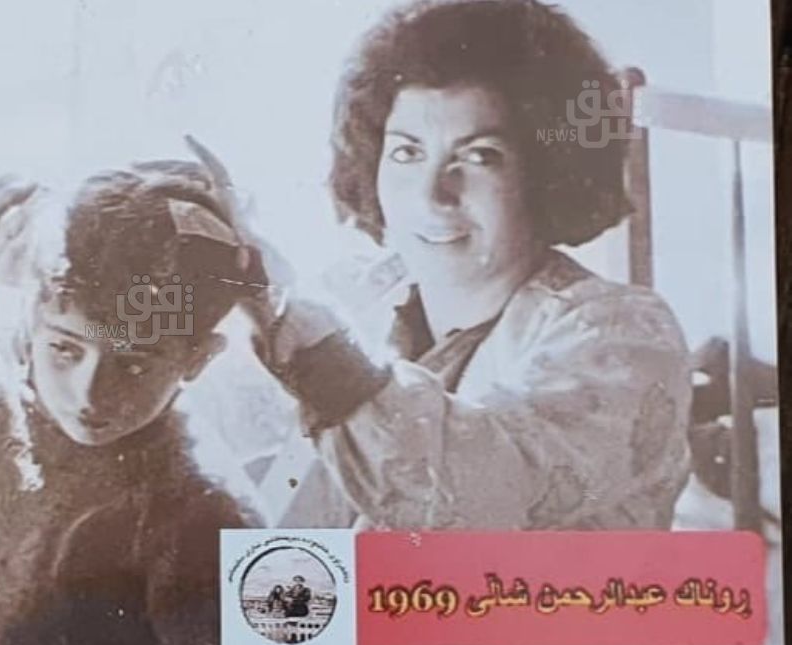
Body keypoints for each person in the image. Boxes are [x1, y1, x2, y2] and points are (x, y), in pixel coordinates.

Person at [232, 0, 692, 530]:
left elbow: (474, 491)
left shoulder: (623, 334)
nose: (432, 195)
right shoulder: (365, 294)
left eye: (479, 156)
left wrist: (302, 334)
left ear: (546, 175)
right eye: (407, 153)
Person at [0, 160, 265, 645]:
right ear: (31, 324)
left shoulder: (205, 512)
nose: (90, 392)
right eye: (64, 349)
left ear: (198, 358)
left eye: (133, 366)